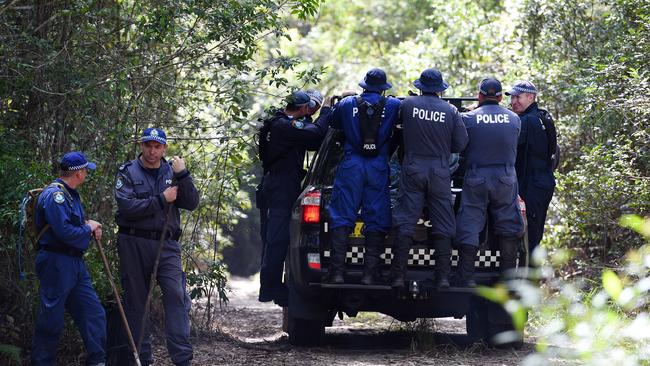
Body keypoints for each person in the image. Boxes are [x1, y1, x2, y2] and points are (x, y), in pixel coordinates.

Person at [114, 128, 199, 366]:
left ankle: (182, 358)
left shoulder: (172, 171)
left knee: (176, 295)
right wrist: (162, 199)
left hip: (167, 245)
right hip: (133, 242)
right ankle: (140, 357)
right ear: (141, 146)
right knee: (136, 300)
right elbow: (127, 208)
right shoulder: (127, 172)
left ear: (165, 149)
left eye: (157, 146)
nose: (152, 151)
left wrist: (183, 175)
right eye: (148, 145)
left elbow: (191, 203)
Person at [390, 68, 468, 288]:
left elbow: (395, 130)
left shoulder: (407, 105)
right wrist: (443, 148)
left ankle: (397, 276)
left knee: (405, 220)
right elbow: (461, 144)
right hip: (440, 170)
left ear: (420, 87)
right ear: (440, 90)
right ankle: (443, 277)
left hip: (413, 168)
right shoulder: (451, 111)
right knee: (443, 220)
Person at [324, 68, 401, 285]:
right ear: (383, 89)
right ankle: (370, 274)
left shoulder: (346, 104)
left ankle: (337, 272)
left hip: (352, 164)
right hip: (377, 165)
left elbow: (333, 123)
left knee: (341, 214)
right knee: (376, 215)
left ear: (364, 85)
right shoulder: (394, 105)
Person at [32, 151, 106, 366]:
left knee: (93, 313)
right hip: (56, 263)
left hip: (74, 263)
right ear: (79, 173)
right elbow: (65, 233)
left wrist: (90, 226)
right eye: (85, 170)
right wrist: (88, 228)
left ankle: (98, 361)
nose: (87, 174)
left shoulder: (71, 194)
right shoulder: (55, 196)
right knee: (51, 320)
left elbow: (74, 225)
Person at [257, 91, 328, 305]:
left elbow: (312, 142)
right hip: (280, 187)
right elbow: (315, 135)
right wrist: (326, 111)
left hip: (277, 185)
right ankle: (271, 289)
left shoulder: (283, 122)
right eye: (311, 107)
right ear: (304, 108)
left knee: (276, 239)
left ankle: (271, 288)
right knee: (276, 239)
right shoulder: (283, 126)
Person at [456, 78, 524, 286]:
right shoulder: (514, 119)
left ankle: (466, 278)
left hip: (477, 176)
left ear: (479, 96)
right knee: (509, 224)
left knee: (470, 222)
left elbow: (460, 147)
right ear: (502, 97)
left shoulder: (468, 118)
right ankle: (507, 281)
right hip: (505, 177)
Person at [506, 81, 556, 256]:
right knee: (534, 233)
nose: (513, 101)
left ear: (531, 97)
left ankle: (528, 278)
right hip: (542, 182)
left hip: (533, 186)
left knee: (530, 235)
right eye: (512, 97)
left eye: (517, 97)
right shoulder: (544, 117)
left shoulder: (526, 121)